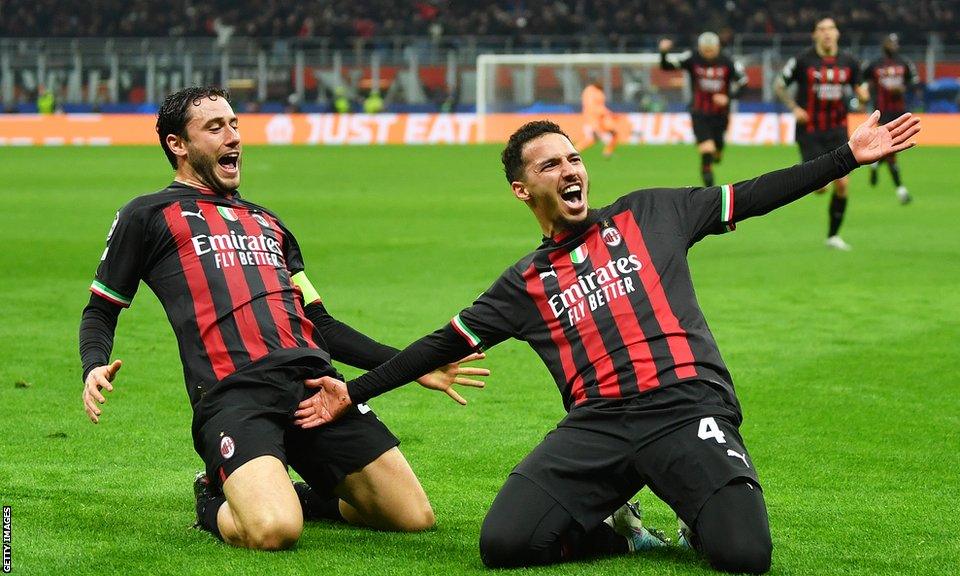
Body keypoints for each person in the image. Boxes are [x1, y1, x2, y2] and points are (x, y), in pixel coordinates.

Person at [294, 112, 921, 573]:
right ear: (523, 189)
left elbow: (753, 196)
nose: (569, 171)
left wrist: (846, 156)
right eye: (550, 165)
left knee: (745, 555)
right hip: (597, 425)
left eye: (573, 159)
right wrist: (353, 392)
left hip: (686, 405)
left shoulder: (653, 212)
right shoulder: (524, 284)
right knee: (506, 546)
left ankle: (697, 503)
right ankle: (622, 532)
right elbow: (441, 344)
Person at [78, 86, 488, 550]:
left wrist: (414, 365)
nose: (232, 137)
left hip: (315, 386)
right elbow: (101, 307)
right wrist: (94, 363)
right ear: (178, 145)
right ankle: (212, 498)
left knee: (411, 517)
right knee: (274, 531)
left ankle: (297, 494)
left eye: (234, 124)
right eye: (215, 128)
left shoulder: (269, 223)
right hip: (235, 392)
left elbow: (323, 326)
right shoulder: (148, 215)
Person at [774, 17, 869, 251]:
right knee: (821, 187)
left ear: (837, 34)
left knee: (843, 185)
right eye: (822, 29)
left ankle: (833, 236)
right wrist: (794, 108)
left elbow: (861, 88)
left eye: (831, 29)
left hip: (837, 130)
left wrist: (863, 95)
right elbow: (779, 85)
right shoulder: (802, 61)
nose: (827, 33)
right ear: (814, 35)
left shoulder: (850, 61)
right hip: (810, 131)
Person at [659, 32, 748, 187]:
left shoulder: (729, 62)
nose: (707, 54)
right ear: (699, 48)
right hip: (699, 112)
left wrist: (729, 97)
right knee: (707, 150)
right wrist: (664, 52)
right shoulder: (692, 58)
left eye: (711, 50)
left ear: (717, 48)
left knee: (717, 148)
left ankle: (718, 152)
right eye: (704, 50)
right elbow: (667, 67)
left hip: (721, 115)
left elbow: (744, 83)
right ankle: (711, 192)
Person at [862, 33, 920, 204]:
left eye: (895, 43)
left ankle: (874, 164)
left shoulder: (904, 62)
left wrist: (903, 88)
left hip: (899, 112)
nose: (893, 45)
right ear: (884, 44)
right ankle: (901, 190)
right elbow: (861, 81)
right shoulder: (874, 64)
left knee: (890, 149)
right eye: (890, 42)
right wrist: (864, 93)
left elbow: (915, 82)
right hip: (881, 112)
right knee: (891, 149)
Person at [577, 78, 618, 159]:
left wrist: (609, 113)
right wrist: (604, 113)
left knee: (614, 133)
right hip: (592, 120)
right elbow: (591, 107)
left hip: (601, 120)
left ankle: (607, 152)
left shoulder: (598, 92)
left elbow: (601, 106)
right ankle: (575, 151)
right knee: (591, 139)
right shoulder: (589, 91)